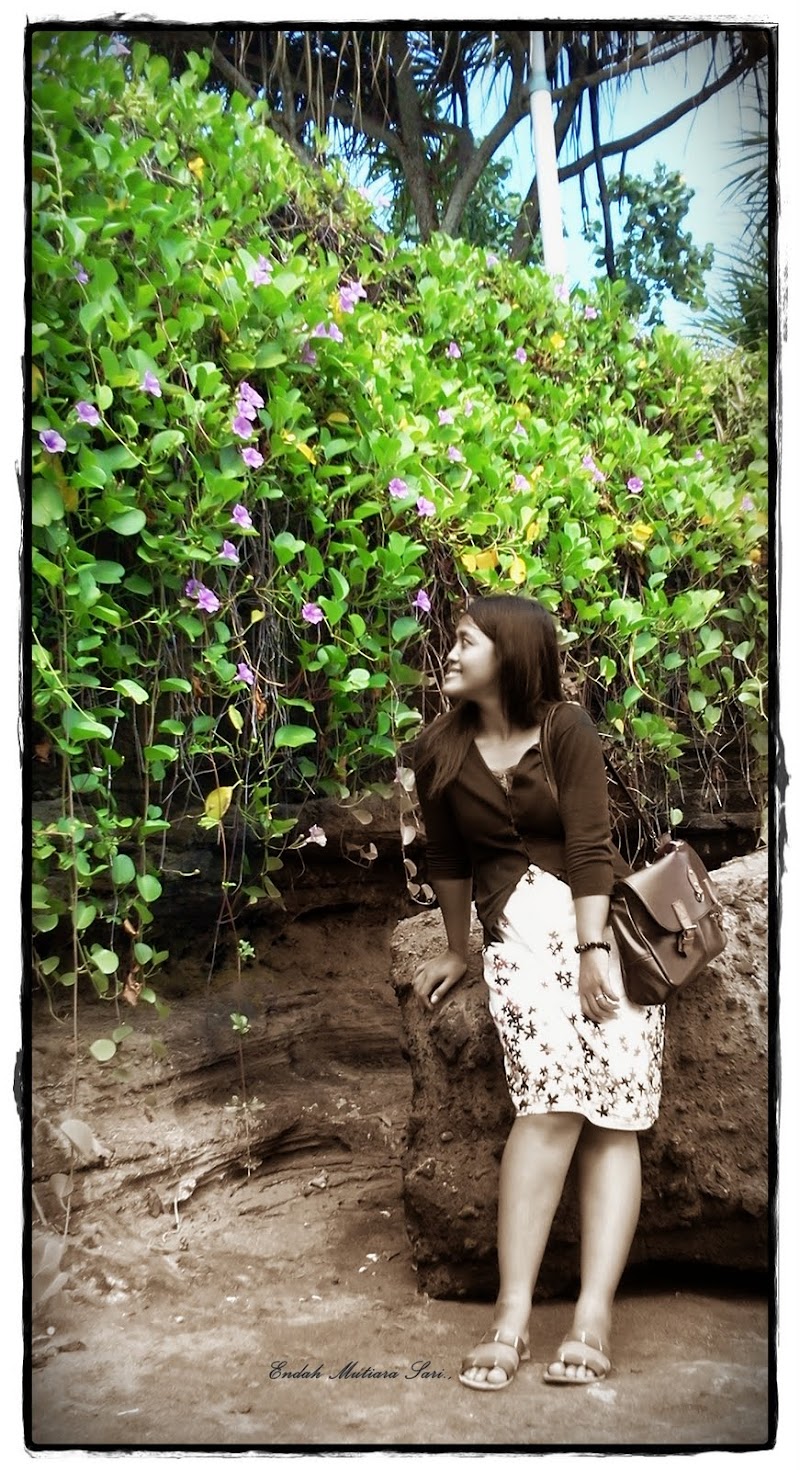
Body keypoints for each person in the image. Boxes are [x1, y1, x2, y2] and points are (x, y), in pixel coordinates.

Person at [410, 594, 665, 1390]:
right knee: (548, 1106)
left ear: (511, 653)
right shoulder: (438, 748)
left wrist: (592, 951)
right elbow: (447, 861)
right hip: (516, 939)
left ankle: (592, 1316)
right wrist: (459, 950)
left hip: (599, 930)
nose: (450, 654)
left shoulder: (565, 729)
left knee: (613, 1116)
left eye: (465, 642)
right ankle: (511, 1316)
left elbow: (590, 844)